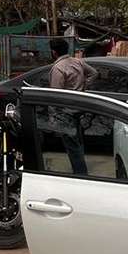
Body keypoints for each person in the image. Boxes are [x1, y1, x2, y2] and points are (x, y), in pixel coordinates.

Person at [47, 38, 98, 175]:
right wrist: (83, 86)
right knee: (77, 143)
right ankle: (80, 171)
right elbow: (94, 73)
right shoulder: (77, 62)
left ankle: (81, 174)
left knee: (73, 146)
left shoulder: (58, 68)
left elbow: (54, 95)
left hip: (66, 112)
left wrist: (53, 117)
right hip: (79, 108)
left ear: (53, 52)